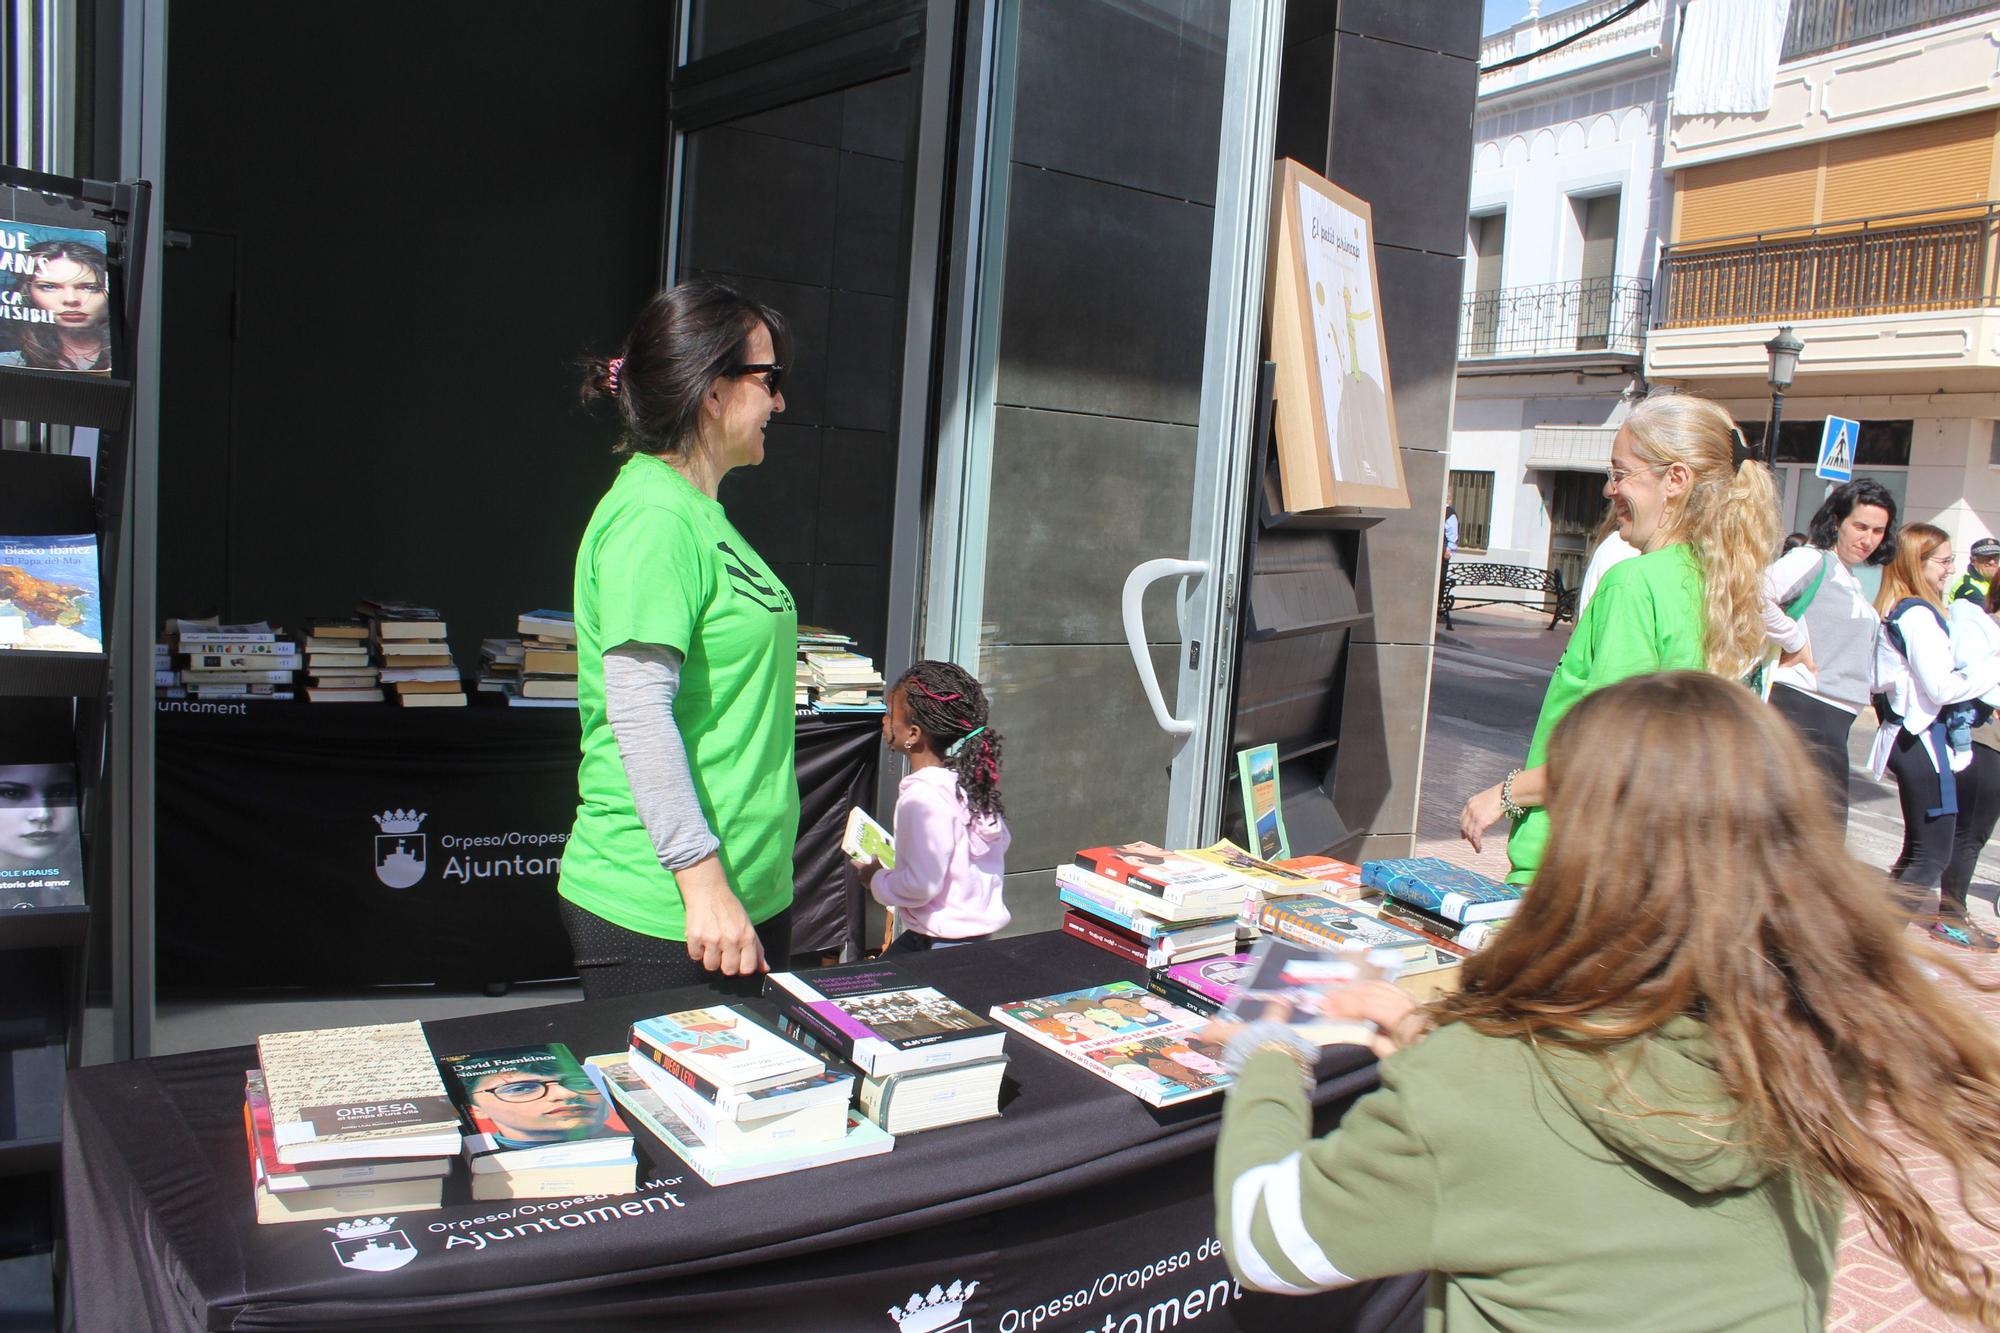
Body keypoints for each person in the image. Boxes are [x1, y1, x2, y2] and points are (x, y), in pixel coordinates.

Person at [1212, 671, 2000, 1330]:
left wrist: (1271, 1053)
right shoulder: (1815, 1048)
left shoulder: (1477, 1084)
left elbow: (1266, 1242)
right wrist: (1434, 1044)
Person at [558, 280, 798, 1000]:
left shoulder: (699, 515)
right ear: (714, 391)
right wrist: (704, 883)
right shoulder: (653, 519)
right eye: (770, 379)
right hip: (672, 914)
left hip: (736, 902)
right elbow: (639, 710)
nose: (780, 403)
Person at [1459, 394, 1779, 884]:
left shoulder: (1635, 583)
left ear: (1675, 480)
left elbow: (1607, 752)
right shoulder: (1714, 584)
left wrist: (1502, 795)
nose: (1609, 490)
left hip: (1577, 866)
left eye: (1622, 473)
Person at [1871, 522, 2000, 950]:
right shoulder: (1918, 615)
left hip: (1917, 738)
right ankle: (1878, 954)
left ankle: (1876, 947)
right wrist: (1987, 671)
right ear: (1917, 561)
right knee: (1932, 854)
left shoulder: (1913, 609)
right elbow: (1941, 688)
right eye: (1943, 561)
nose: (1950, 570)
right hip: (1918, 738)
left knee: (1920, 850)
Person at [1759, 477, 1896, 825]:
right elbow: (1753, 595)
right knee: (1809, 836)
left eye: (1878, 531)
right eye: (1860, 526)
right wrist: (1795, 641)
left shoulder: (1849, 577)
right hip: (1803, 708)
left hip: (1833, 719)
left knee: (1815, 840)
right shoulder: (1811, 559)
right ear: (1837, 522)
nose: (1868, 539)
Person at [852, 659, 1010, 953]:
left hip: (936, 944)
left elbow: (920, 886)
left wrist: (875, 877)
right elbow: (997, 844)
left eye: (889, 714)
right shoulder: (969, 785)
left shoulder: (920, 798)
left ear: (913, 734)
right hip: (974, 941)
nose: (884, 721)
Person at [1942, 577, 2000, 936]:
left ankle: (1952, 910)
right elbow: (1970, 680)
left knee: (1972, 832)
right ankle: (1951, 914)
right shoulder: (1980, 629)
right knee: (1970, 831)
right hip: (1984, 739)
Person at [0, 240, 111, 372]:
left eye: (89, 288)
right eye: (49, 287)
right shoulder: (8, 363)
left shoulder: (131, 360)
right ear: (27, 292)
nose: (71, 299)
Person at [463, 1060, 617, 1149]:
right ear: (475, 1110)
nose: (568, 1094)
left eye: (582, 1082)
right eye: (521, 1088)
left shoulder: (630, 1145)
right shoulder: (482, 1159)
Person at [1950, 535, 2000, 605]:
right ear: (1973, 560)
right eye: (1987, 557)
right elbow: (1990, 613)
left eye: (1996, 557)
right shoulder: (1967, 587)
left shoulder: (1993, 580)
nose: (1992, 562)